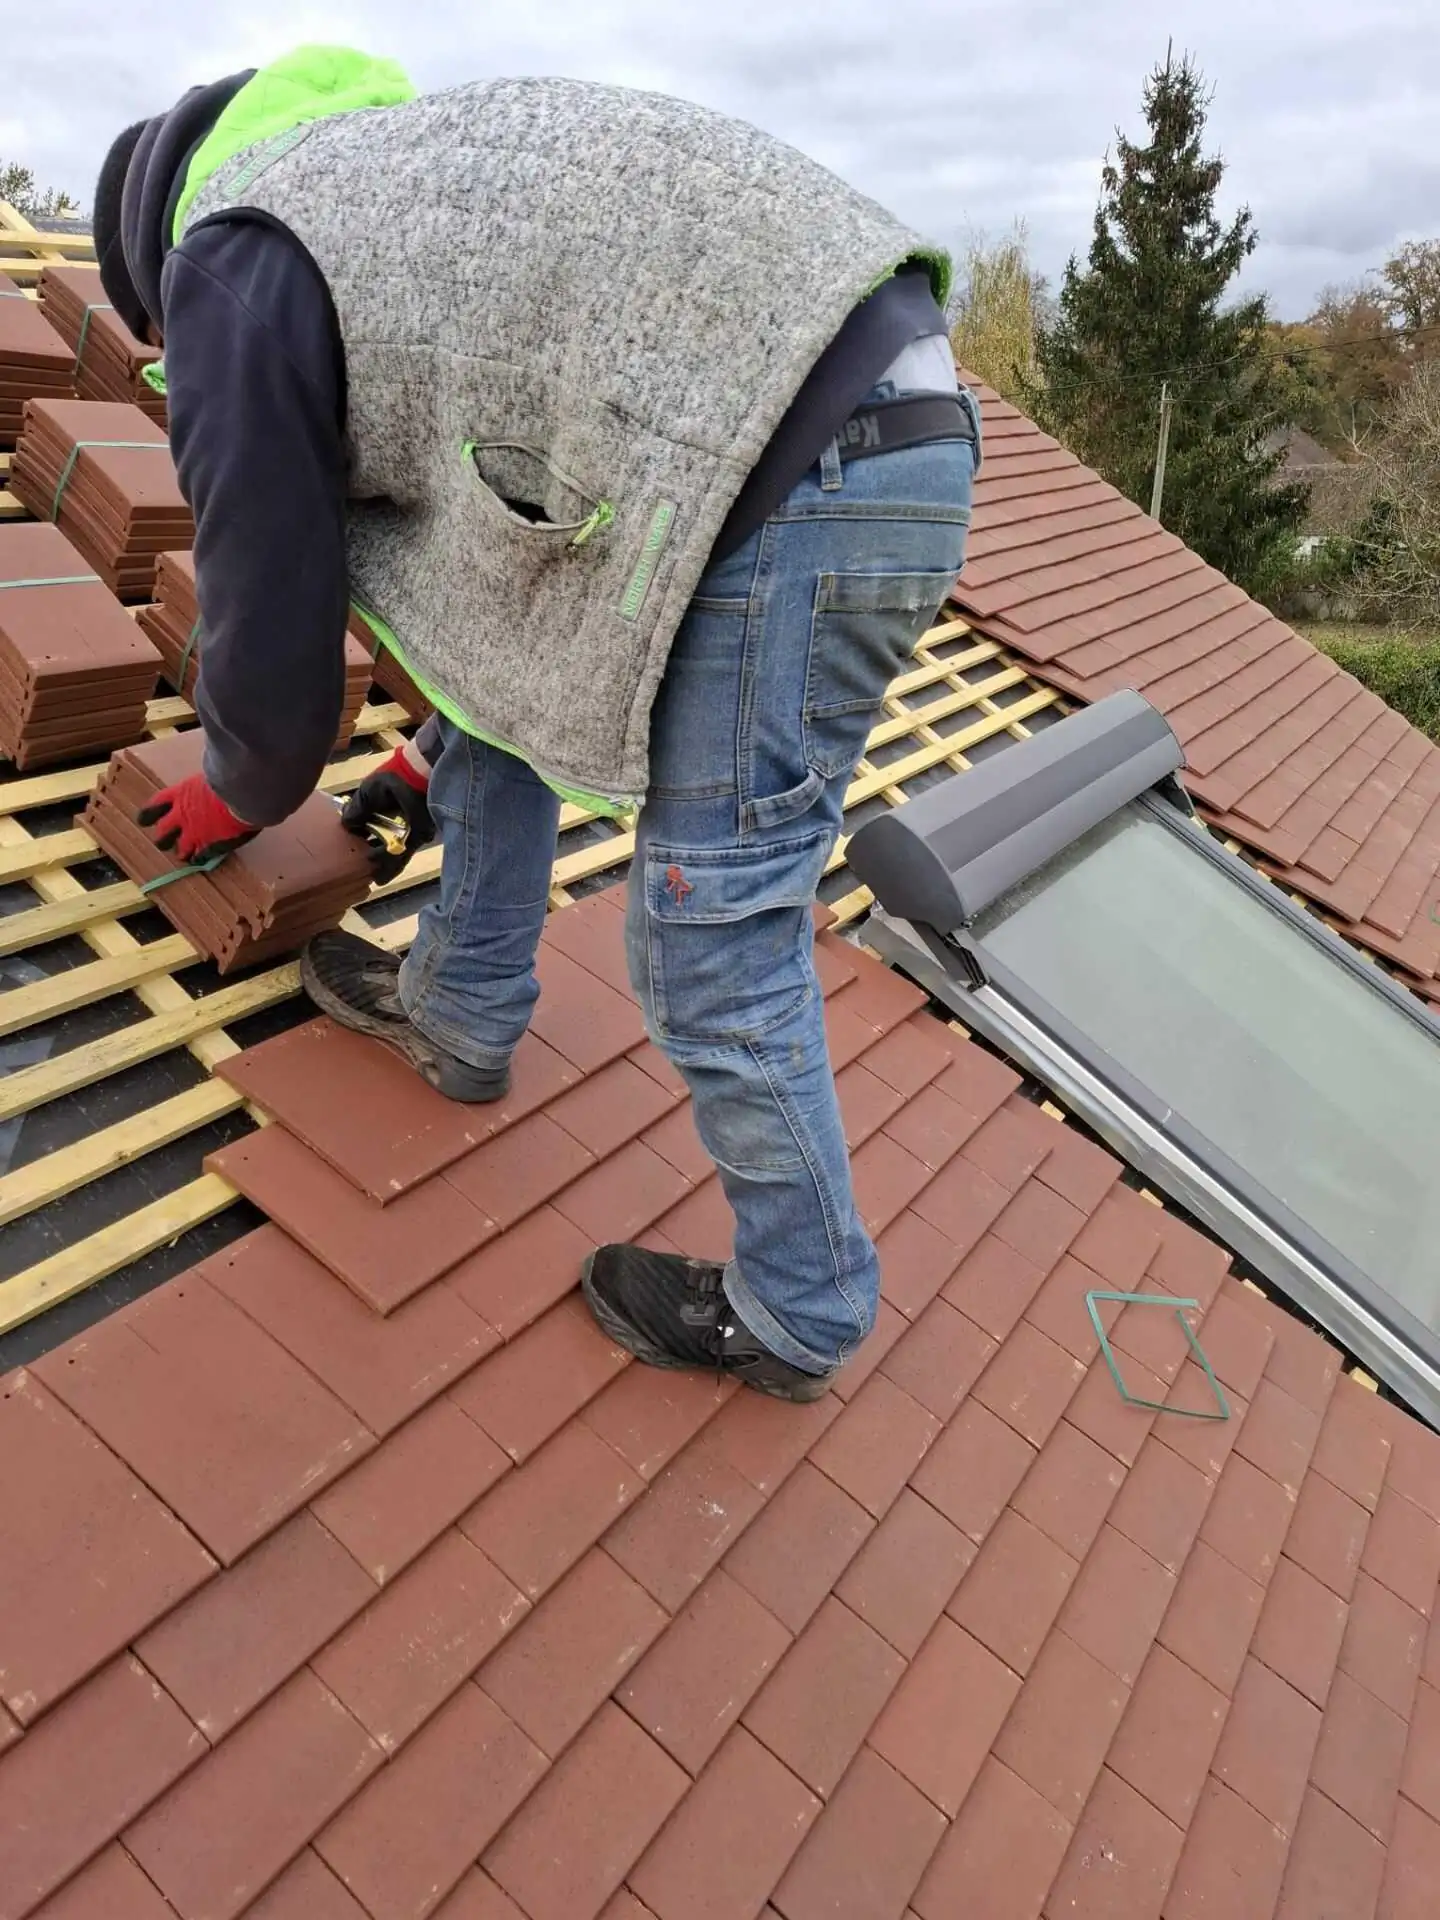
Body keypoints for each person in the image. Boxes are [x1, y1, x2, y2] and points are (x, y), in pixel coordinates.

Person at [94, 46, 980, 1402]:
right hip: (882, 417)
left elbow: (269, 635)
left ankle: (802, 1305)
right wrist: (426, 753)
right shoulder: (389, 194)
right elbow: (500, 595)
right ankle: (462, 1007)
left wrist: (238, 782)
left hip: (804, 459)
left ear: (149, 270)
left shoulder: (229, 276)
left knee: (709, 924)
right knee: (510, 637)